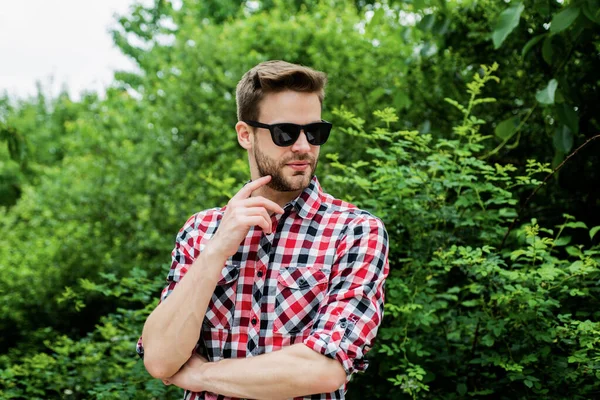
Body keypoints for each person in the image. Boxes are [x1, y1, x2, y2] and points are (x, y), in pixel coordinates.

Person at [137, 60, 390, 400]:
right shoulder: (201, 230)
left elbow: (323, 368)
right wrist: (216, 251)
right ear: (246, 134)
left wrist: (202, 374)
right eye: (285, 132)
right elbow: (159, 358)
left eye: (314, 132)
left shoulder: (355, 232)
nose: (303, 146)